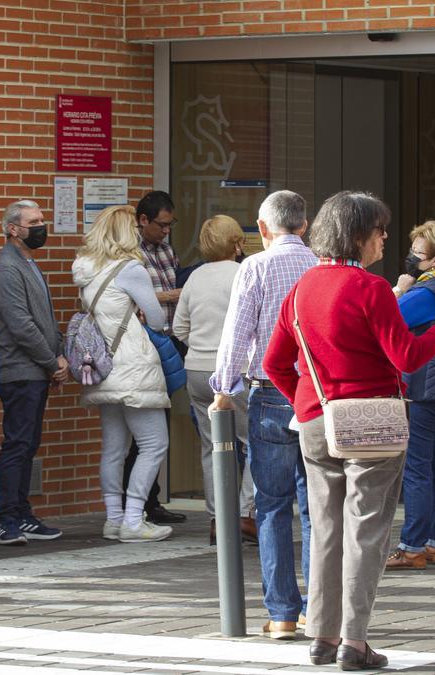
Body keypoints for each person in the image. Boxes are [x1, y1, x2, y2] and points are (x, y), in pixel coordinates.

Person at [263, 191, 435, 669]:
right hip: (372, 421)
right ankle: (354, 642)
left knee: (326, 530)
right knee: (366, 532)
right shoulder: (370, 288)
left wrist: (308, 405)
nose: (386, 238)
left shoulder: (303, 287)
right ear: (359, 236)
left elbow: (274, 363)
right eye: (380, 230)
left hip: (316, 421)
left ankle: (321, 637)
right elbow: (408, 358)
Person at [209, 189, 315, 640]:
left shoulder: (256, 265)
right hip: (314, 393)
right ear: (305, 226)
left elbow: (238, 330)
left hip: (270, 391)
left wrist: (223, 387)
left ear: (262, 227)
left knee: (272, 505)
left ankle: (283, 614)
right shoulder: (321, 264)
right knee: (316, 506)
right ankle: (319, 607)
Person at [72, 204, 173, 543]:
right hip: (133, 365)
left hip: (103, 367)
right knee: (154, 443)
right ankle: (133, 519)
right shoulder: (131, 269)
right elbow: (158, 319)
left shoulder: (86, 270)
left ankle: (114, 518)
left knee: (113, 448)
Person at [0, 199, 67, 546]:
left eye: (42, 219)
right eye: (33, 221)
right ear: (12, 229)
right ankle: (6, 519)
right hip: (19, 370)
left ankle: (22, 512)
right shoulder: (7, 268)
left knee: (28, 443)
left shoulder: (28, 263)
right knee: (18, 444)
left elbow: (44, 319)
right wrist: (52, 362)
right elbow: (21, 325)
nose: (41, 226)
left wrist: (57, 356)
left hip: (36, 369)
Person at [386, 220, 435, 570]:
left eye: (417, 253)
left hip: (421, 387)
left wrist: (399, 290)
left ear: (433, 260)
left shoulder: (423, 293)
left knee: (417, 469)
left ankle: (412, 546)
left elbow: (384, 321)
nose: (410, 257)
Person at [173, 215, 256, 545]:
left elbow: (180, 328)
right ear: (237, 243)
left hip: (196, 370)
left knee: (212, 446)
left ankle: (216, 520)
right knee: (253, 443)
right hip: (235, 370)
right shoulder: (243, 274)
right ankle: (245, 514)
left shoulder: (194, 277)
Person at [127, 189, 186, 525]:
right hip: (146, 342)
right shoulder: (131, 255)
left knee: (162, 418)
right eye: (161, 225)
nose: (166, 232)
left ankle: (153, 498)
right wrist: (173, 294)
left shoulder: (165, 248)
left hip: (169, 341)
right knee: (145, 432)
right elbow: (137, 298)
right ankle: (138, 502)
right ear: (143, 220)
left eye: (170, 225)